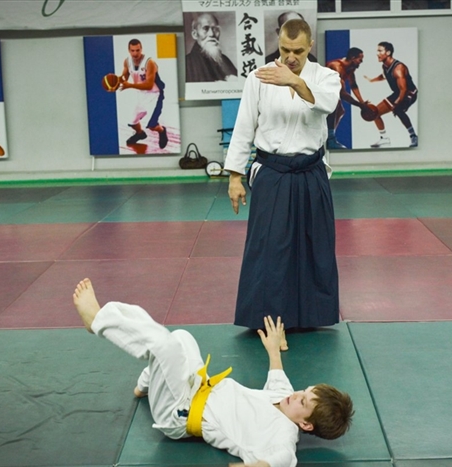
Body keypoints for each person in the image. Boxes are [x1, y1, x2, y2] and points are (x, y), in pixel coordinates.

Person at [72, 278, 354, 467]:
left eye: (303, 401)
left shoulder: (282, 435)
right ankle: (146, 383)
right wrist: (273, 349)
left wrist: (256, 465)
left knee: (165, 347)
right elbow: (278, 374)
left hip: (180, 413)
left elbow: (282, 460)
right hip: (196, 386)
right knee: (182, 338)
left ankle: (97, 320)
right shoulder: (284, 396)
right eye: (305, 391)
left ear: (306, 425)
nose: (298, 394)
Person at [224, 18, 341, 332]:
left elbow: (328, 104)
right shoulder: (259, 77)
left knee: (316, 247)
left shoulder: (326, 77)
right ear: (278, 44)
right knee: (270, 249)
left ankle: (312, 316)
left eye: (298, 51)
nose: (291, 57)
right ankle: (267, 319)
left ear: (310, 46)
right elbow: (244, 126)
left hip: (311, 172)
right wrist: (234, 176)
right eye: (285, 50)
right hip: (272, 172)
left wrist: (295, 82)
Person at [363, 41, 418, 148]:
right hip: (398, 92)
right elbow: (384, 75)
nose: (377, 54)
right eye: (377, 51)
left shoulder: (399, 68)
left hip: (409, 93)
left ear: (388, 52)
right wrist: (371, 80)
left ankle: (413, 136)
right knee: (374, 112)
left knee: (398, 110)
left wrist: (396, 104)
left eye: (380, 51)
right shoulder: (385, 66)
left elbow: (404, 89)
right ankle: (384, 139)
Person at [119, 38, 168, 150]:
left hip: (154, 95)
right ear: (129, 50)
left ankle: (162, 130)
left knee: (152, 125)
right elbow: (124, 77)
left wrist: (130, 85)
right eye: (132, 50)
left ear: (141, 49)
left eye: (137, 50)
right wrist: (115, 81)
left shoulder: (149, 63)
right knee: (132, 122)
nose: (135, 53)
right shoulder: (127, 61)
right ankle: (140, 134)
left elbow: (149, 85)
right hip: (140, 95)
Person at [325, 47, 368, 149]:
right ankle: (329, 139)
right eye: (360, 59)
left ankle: (328, 136)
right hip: (320, 92)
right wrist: (359, 105)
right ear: (353, 58)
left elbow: (353, 85)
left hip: (330, 92)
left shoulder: (350, 68)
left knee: (340, 111)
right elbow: (342, 93)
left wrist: (362, 102)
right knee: (335, 106)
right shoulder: (337, 67)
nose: (361, 62)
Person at [185, 12, 237, 82]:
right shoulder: (187, 63)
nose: (211, 34)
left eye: (215, 29)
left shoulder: (225, 60)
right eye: (205, 29)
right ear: (195, 34)